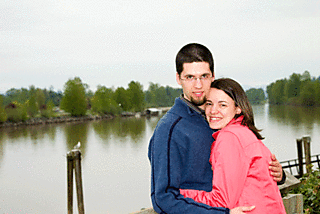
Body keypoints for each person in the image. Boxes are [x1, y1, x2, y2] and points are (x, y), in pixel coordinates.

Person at [148, 43, 285, 214]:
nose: (198, 85)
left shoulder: (221, 121)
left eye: (204, 76)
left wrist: (277, 174)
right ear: (178, 78)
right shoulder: (169, 130)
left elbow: (244, 167)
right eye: (190, 77)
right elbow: (163, 199)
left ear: (212, 76)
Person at [180, 78, 286, 213]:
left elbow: (221, 201)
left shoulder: (230, 137)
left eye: (222, 105)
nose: (213, 111)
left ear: (238, 108)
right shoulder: (244, 132)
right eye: (209, 103)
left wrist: (177, 194)